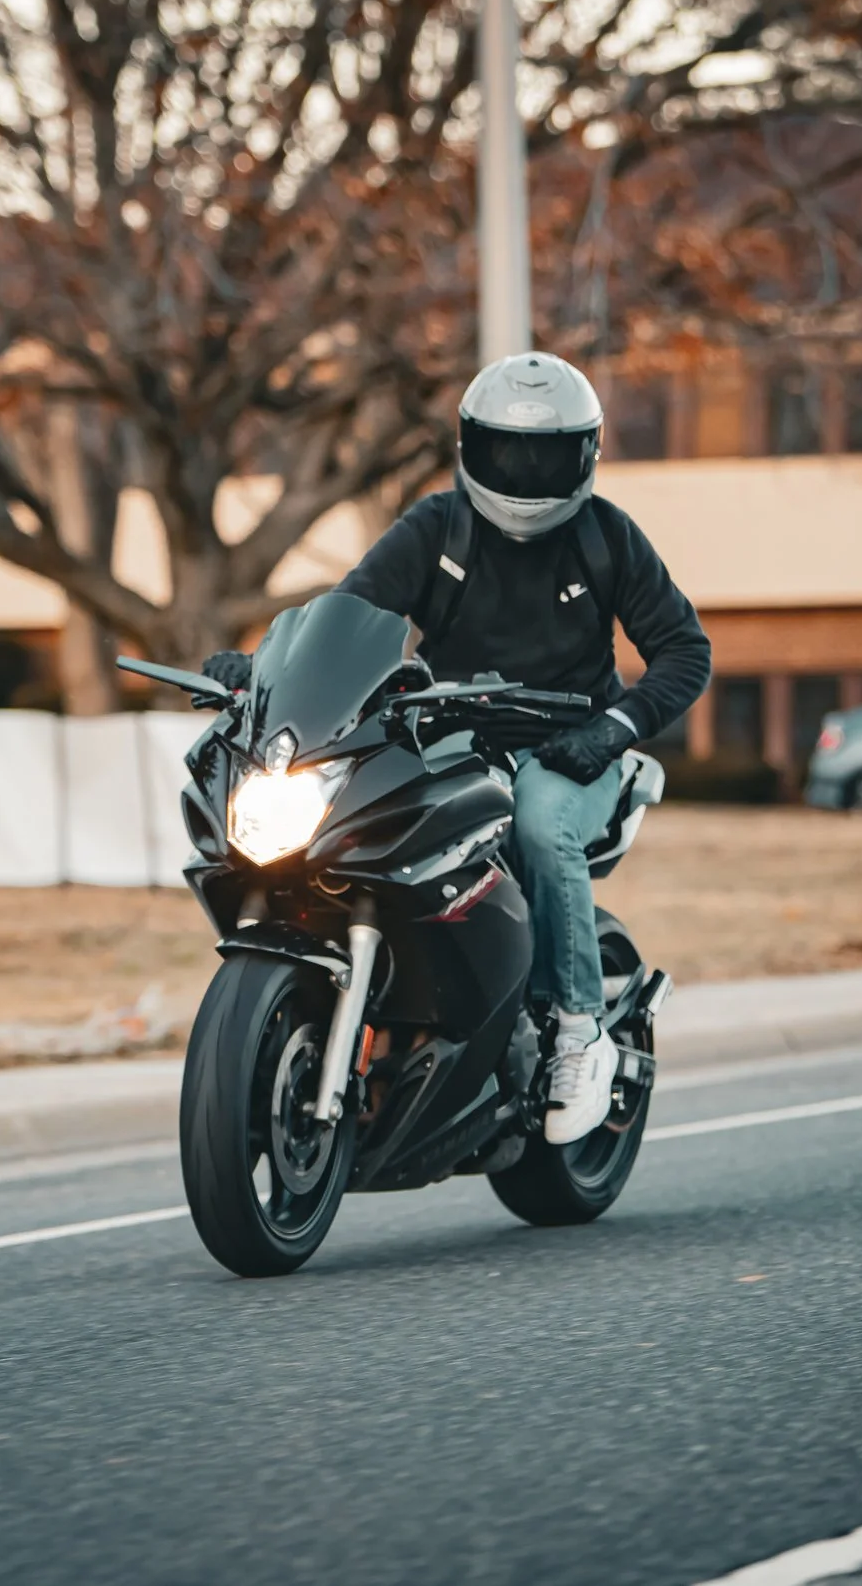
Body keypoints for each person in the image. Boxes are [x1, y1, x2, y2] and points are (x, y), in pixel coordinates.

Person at [201, 352, 710, 1146]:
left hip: (571, 750)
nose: (527, 472)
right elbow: (350, 612)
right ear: (473, 445)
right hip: (454, 739)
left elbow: (684, 650)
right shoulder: (437, 527)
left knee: (539, 820)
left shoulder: (607, 537)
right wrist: (265, 672)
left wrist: (614, 728)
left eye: (546, 454)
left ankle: (578, 1031)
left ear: (584, 454)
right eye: (509, 451)